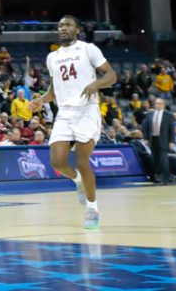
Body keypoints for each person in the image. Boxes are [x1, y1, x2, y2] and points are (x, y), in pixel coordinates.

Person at [29, 15, 116, 230]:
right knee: (57, 162)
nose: (63, 28)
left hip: (87, 111)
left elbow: (111, 76)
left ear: (77, 29)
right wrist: (41, 99)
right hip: (65, 112)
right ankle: (78, 181)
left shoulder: (89, 49)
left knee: (82, 162)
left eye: (67, 25)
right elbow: (54, 89)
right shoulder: (52, 57)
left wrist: (96, 85)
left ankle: (92, 208)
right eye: (60, 25)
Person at [142, 97, 173, 183]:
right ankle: (155, 177)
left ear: (163, 105)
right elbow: (146, 128)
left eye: (160, 103)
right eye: (156, 103)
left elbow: (172, 129)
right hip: (152, 139)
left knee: (163, 160)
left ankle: (165, 178)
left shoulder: (168, 115)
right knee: (154, 159)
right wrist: (146, 138)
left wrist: (171, 141)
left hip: (164, 140)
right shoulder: (149, 114)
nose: (158, 105)